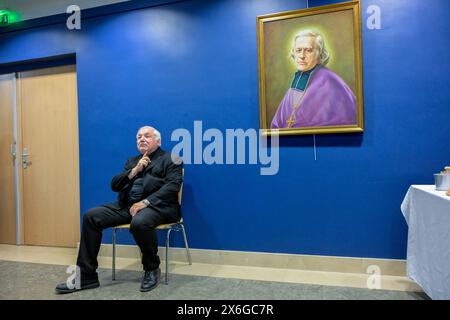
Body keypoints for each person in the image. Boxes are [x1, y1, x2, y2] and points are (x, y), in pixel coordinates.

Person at [55, 126, 183, 293]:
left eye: (147, 136)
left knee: (139, 222)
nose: (141, 139)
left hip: (158, 207)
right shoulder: (132, 161)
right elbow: (115, 185)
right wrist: (134, 170)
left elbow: (173, 186)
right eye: (138, 137)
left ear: (158, 141)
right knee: (91, 216)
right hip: (127, 206)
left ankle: (151, 269)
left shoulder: (172, 158)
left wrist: (145, 202)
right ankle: (87, 276)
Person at [271, 30, 357, 129]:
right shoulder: (298, 80)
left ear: (319, 53)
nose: (302, 56)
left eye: (308, 50)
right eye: (298, 50)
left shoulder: (331, 81)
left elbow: (346, 121)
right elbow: (277, 124)